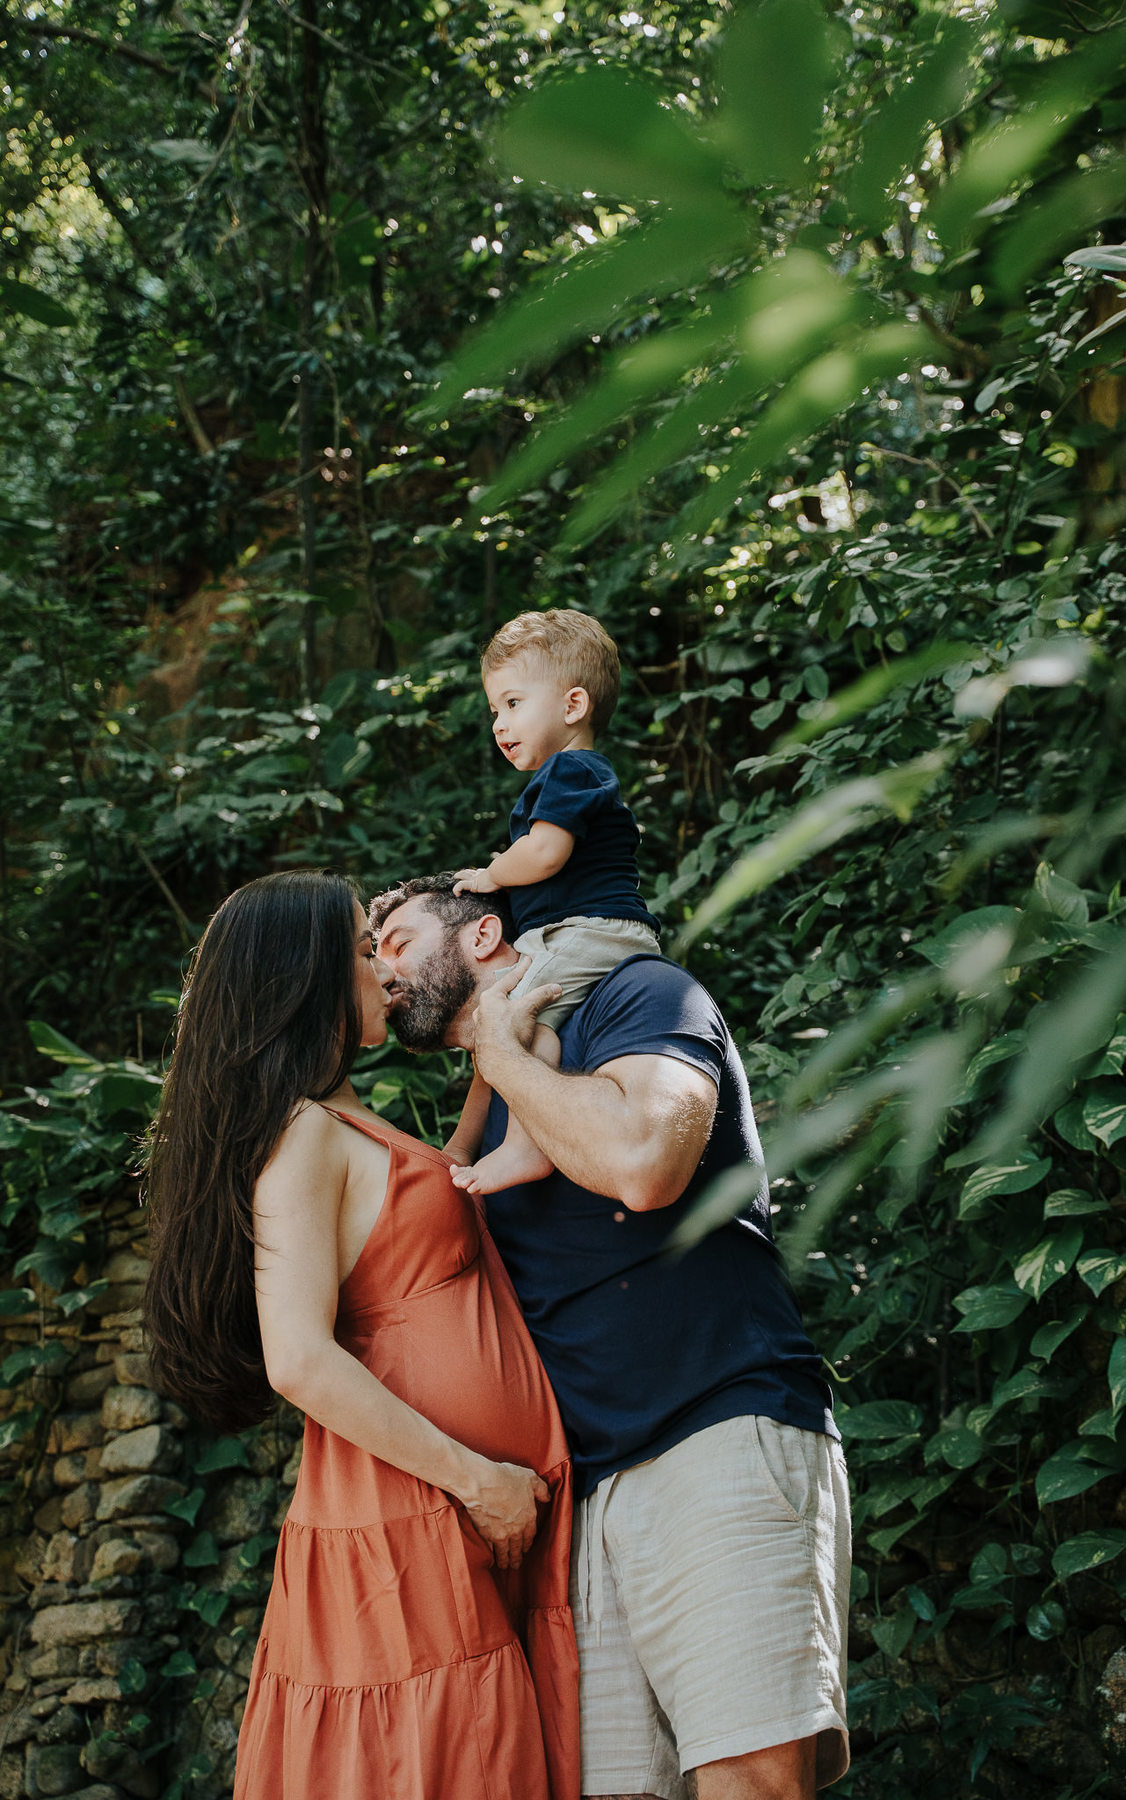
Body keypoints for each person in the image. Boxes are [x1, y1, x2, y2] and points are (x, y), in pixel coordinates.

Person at [370, 873, 851, 1800]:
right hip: (584, 1495)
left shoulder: (643, 995)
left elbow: (645, 1162)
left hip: (720, 1426)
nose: (382, 968)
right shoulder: (485, 1120)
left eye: (397, 940)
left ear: (479, 936)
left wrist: (501, 1054)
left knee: (749, 1776)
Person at [141, 870, 579, 1800]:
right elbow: (297, 1356)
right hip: (405, 1520)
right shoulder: (300, 1133)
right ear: (304, 975)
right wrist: (477, 1478)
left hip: (439, 1517)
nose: (382, 968)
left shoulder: (343, 1114)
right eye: (356, 947)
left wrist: (493, 1052)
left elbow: (436, 1198)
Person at [446, 609, 659, 1196]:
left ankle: (524, 1149)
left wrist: (493, 873)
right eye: (494, 710)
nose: (499, 722)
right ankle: (468, 1141)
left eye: (512, 703)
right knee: (502, 1015)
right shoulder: (567, 775)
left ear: (572, 706)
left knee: (518, 1020)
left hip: (595, 928)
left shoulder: (571, 769)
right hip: (571, 929)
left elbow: (543, 856)